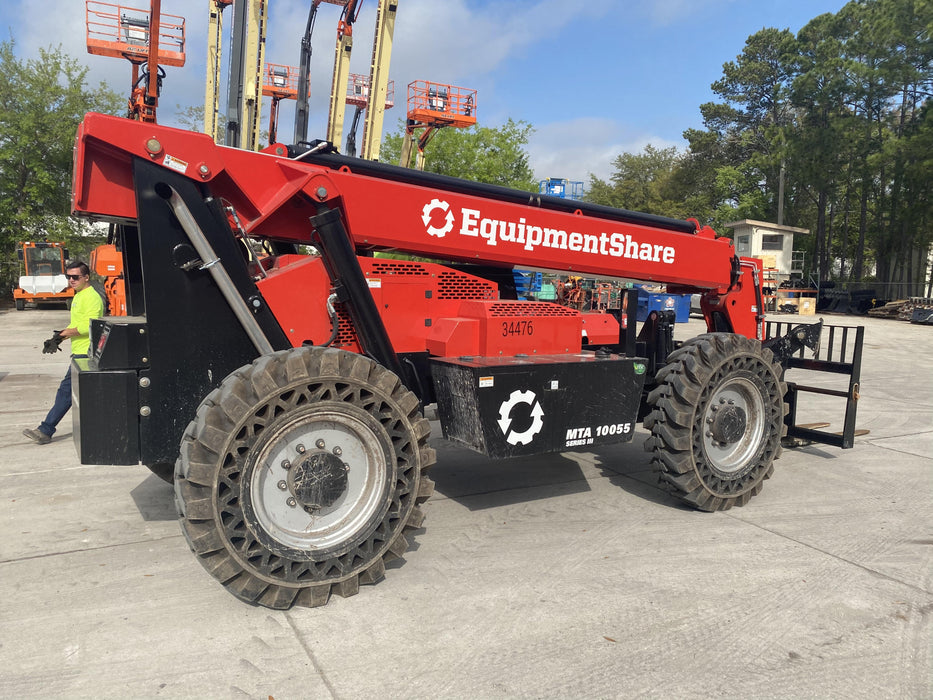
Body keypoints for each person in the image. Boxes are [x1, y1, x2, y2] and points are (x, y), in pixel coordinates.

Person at [23, 261, 104, 445]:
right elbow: (76, 325)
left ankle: (45, 430)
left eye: (75, 277)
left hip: (87, 354)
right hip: (80, 353)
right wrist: (59, 338)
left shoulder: (91, 297)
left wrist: (63, 334)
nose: (71, 280)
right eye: (68, 277)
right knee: (76, 393)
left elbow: (88, 326)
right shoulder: (79, 296)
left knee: (67, 392)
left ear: (86, 277)